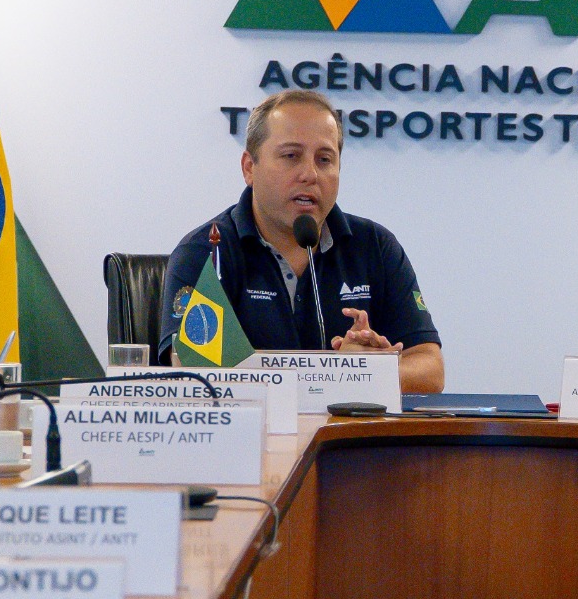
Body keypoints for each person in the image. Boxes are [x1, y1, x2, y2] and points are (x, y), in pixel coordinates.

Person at [161, 90, 444, 393]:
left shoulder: (375, 246)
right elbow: (197, 370)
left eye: (325, 159)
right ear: (249, 168)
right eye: (291, 156)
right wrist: (343, 373)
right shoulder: (207, 250)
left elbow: (430, 369)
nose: (310, 174)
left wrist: (369, 370)